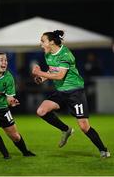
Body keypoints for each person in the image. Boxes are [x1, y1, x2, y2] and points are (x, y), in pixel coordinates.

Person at [32, 30, 110, 158]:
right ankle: (66, 129)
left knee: (84, 127)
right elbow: (52, 71)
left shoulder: (65, 54)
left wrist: (39, 73)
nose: (41, 44)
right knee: (41, 111)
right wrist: (41, 78)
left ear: (51, 42)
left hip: (75, 92)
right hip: (61, 92)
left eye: (43, 41)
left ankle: (103, 150)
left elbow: (60, 75)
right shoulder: (48, 55)